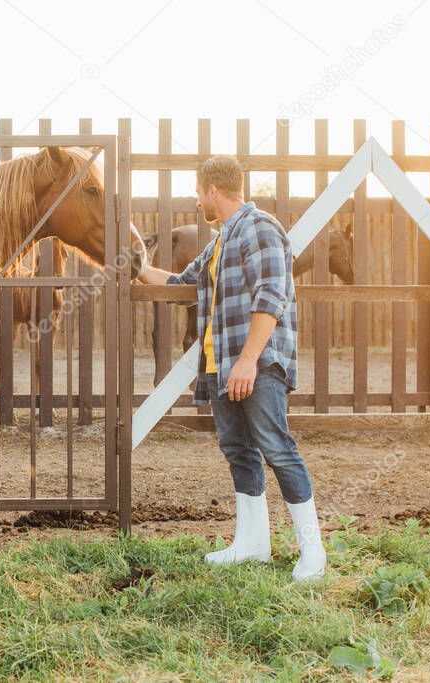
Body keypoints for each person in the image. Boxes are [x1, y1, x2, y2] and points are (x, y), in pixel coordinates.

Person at [138, 155, 326, 581]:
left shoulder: (260, 227)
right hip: (222, 366)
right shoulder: (220, 242)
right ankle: (253, 545)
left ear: (211, 190)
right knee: (239, 451)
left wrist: (247, 361)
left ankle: (312, 550)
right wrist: (137, 267)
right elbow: (185, 286)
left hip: (255, 364)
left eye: (198, 192)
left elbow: (271, 295)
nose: (196, 199)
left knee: (277, 448)